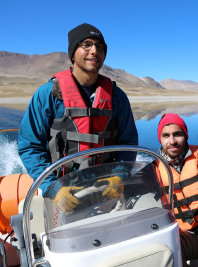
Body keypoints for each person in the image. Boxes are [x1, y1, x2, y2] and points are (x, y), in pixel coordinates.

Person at [18, 23, 138, 206]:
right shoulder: (47, 94)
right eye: (86, 45)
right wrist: (53, 188)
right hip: (62, 192)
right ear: (73, 53)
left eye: (100, 47)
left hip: (106, 190)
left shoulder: (117, 97)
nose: (94, 51)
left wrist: (120, 175)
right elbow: (30, 146)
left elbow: (128, 141)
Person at [154, 113, 198, 266]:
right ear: (160, 139)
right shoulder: (152, 170)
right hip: (187, 235)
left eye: (177, 134)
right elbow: (130, 185)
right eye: (166, 136)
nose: (172, 141)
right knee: (164, 251)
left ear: (186, 135)